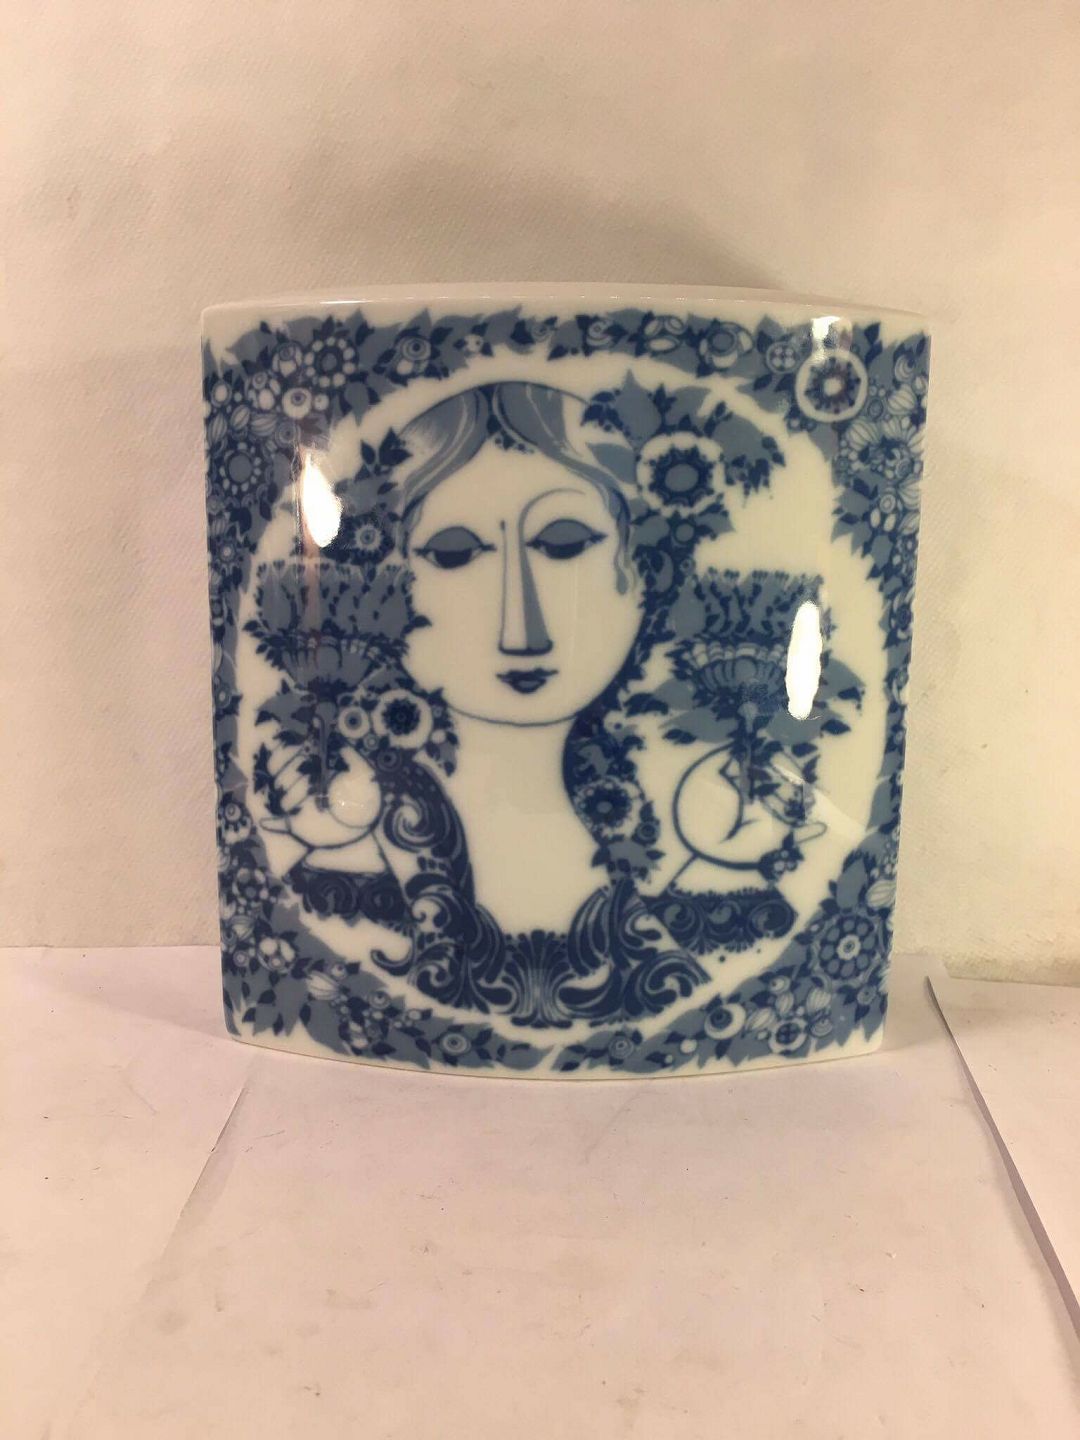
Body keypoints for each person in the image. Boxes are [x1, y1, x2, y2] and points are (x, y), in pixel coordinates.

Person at [258, 382, 799, 1026]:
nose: (523, 629)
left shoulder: (709, 848)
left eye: (564, 544)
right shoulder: (342, 858)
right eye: (455, 553)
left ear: (643, 571)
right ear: (388, 584)